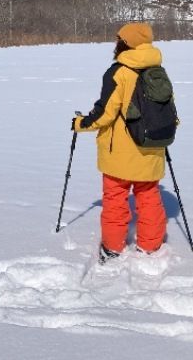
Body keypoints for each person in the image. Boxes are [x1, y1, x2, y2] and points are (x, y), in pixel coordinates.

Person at [73, 22, 168, 263]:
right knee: (149, 197)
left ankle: (113, 247)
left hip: (120, 153)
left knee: (115, 198)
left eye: (119, 39)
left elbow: (105, 114)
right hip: (152, 146)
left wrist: (80, 123)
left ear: (125, 43)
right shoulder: (158, 70)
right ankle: (150, 246)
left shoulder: (119, 71)